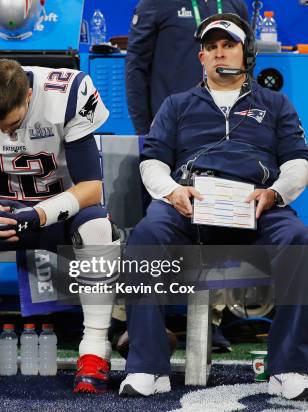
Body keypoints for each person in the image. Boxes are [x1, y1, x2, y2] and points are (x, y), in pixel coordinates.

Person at [119, 14, 308, 399]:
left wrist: (274, 193)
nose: (219, 52)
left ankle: (288, 365)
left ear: (246, 53)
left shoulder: (274, 103)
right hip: (190, 202)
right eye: (212, 47)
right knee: (146, 234)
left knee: (298, 239)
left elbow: (297, 162)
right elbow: (152, 160)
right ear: (201, 57)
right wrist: (172, 191)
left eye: (229, 45)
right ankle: (146, 366)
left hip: (256, 204)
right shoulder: (177, 105)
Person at [0, 58, 119, 394]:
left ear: (29, 95)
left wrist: (40, 214)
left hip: (54, 211)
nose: (5, 133)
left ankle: (95, 347)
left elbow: (91, 188)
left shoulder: (67, 93)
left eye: (13, 123)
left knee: (98, 227)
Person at [126, 0, 247, 136]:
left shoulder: (236, 4)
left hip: (227, 125)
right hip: (174, 127)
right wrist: (144, 132)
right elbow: (136, 68)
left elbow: (244, 65)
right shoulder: (155, 4)